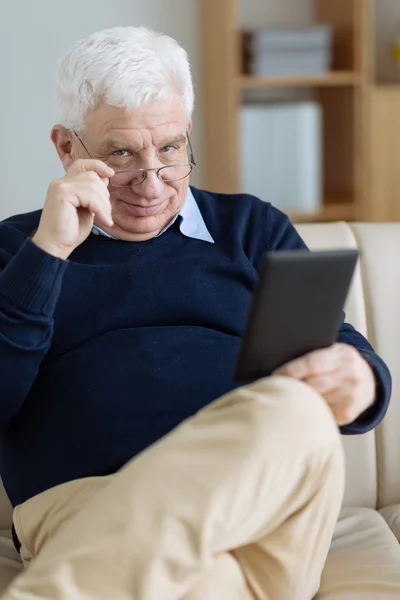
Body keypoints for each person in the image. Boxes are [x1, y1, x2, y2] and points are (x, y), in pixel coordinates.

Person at [0, 26, 391, 600]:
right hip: (91, 508)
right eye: (121, 153)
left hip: (268, 519)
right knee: (203, 585)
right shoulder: (18, 249)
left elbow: (338, 346)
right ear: (66, 147)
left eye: (171, 148)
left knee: (297, 411)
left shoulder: (253, 229)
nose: (152, 182)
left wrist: (362, 380)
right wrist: (48, 253)